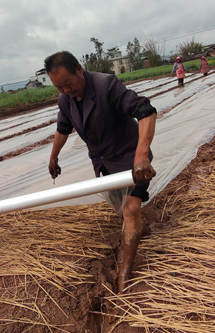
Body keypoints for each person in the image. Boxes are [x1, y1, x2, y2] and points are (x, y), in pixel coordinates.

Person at [44, 51, 157, 292]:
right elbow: (63, 128)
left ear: (79, 69)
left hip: (131, 159)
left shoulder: (107, 86)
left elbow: (146, 110)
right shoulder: (65, 100)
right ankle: (140, 229)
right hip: (104, 165)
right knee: (123, 212)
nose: (65, 91)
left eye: (68, 84)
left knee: (131, 209)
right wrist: (53, 157)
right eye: (58, 87)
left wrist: (141, 155)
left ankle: (124, 275)